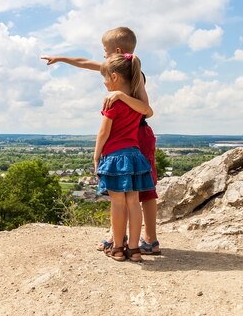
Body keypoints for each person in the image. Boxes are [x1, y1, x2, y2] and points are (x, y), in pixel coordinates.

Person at [41, 27, 161, 255]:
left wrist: (121, 96)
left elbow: (147, 111)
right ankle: (120, 236)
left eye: (104, 52)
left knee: (142, 189)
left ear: (116, 51)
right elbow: (85, 62)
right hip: (128, 139)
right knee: (127, 191)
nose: (102, 57)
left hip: (138, 137)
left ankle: (148, 238)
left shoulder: (136, 76)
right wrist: (61, 58)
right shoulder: (120, 69)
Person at [94, 53, 155, 261]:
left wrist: (96, 156)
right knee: (134, 203)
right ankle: (135, 249)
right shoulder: (137, 103)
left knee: (117, 204)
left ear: (114, 77)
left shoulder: (114, 104)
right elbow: (148, 110)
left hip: (114, 158)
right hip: (135, 157)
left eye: (104, 78)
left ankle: (118, 248)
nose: (103, 83)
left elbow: (103, 133)